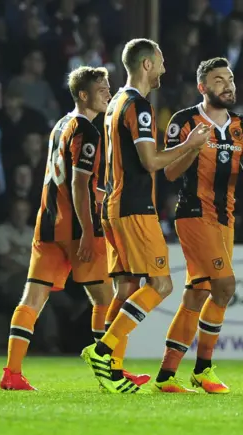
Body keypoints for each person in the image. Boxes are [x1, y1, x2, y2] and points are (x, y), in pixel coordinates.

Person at [81, 38, 211, 394]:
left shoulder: (114, 104)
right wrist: (190, 146)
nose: (165, 69)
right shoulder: (137, 107)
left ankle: (113, 371)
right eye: (162, 62)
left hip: (113, 205)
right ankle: (103, 351)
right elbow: (150, 162)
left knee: (126, 287)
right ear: (147, 65)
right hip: (134, 207)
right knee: (161, 284)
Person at [0, 66, 115, 391]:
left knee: (32, 298)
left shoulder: (59, 125)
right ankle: (110, 375)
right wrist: (90, 231)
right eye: (102, 88)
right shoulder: (87, 130)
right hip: (77, 227)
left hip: (47, 223)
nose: (108, 93)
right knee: (106, 300)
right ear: (83, 94)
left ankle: (12, 373)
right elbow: (80, 186)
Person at [153, 57, 243, 394]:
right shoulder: (184, 121)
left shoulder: (242, 126)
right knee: (225, 287)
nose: (227, 85)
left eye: (230, 78)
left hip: (225, 218)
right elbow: (169, 174)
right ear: (202, 87)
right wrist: (192, 147)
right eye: (218, 80)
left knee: (199, 292)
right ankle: (203, 369)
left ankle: (166, 375)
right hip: (193, 213)